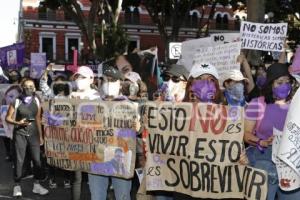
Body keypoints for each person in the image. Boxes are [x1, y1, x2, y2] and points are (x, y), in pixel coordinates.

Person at [244, 63, 300, 200]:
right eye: (280, 82)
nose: (285, 86)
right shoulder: (256, 104)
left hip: (290, 164)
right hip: (264, 160)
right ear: (270, 85)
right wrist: (261, 141)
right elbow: (246, 135)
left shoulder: (296, 105)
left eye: (288, 82)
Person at [88, 65, 135, 200]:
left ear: (120, 84)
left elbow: (138, 131)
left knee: (123, 196)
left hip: (121, 160)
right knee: (97, 197)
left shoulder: (130, 106)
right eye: (106, 80)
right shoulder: (90, 105)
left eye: (113, 80)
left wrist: (138, 127)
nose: (109, 83)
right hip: (97, 159)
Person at [5, 78, 49, 197]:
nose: (29, 88)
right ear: (22, 87)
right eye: (27, 86)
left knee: (37, 160)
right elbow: (8, 118)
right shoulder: (17, 101)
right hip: (20, 134)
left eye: (32, 86)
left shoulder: (37, 99)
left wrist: (41, 136)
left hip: (34, 135)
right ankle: (17, 186)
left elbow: (38, 119)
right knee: (19, 161)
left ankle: (37, 185)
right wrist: (18, 123)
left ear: (35, 87)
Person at [70, 66, 101, 200]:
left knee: (94, 177)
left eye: (82, 77)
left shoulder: (98, 97)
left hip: (92, 142)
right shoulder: (71, 95)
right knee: (76, 178)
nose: (79, 80)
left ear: (91, 79)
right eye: (77, 77)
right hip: (75, 142)